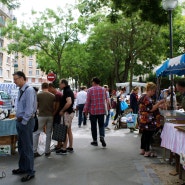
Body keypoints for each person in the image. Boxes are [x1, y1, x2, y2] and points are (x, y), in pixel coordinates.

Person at [12, 71, 37, 182]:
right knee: (21, 147)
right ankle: (23, 168)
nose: (14, 81)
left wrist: (23, 122)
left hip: (25, 122)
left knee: (27, 148)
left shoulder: (29, 90)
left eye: (16, 79)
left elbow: (30, 109)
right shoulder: (20, 90)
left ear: (22, 78)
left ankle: (30, 171)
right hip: (21, 122)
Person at [138, 82, 165, 157]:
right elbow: (151, 109)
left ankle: (142, 150)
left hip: (143, 119)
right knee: (148, 135)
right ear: (149, 90)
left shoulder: (143, 97)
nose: (154, 93)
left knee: (144, 134)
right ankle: (147, 151)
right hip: (148, 120)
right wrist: (159, 103)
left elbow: (150, 107)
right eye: (153, 91)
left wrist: (157, 105)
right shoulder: (147, 98)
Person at [33, 82, 55, 157]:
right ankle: (47, 151)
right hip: (50, 116)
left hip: (41, 116)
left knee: (37, 133)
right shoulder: (52, 96)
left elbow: (35, 106)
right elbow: (54, 106)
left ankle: (34, 151)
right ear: (48, 87)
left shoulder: (38, 95)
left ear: (42, 87)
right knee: (49, 133)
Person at [83, 77, 107, 147]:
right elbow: (105, 100)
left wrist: (85, 111)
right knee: (101, 125)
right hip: (101, 111)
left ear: (93, 82)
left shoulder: (90, 90)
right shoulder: (103, 89)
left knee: (93, 126)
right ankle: (102, 136)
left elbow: (88, 101)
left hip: (93, 111)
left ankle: (95, 140)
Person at [56, 79, 75, 155]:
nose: (59, 85)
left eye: (60, 84)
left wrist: (62, 110)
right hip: (69, 112)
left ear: (64, 84)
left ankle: (64, 148)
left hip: (67, 113)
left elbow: (69, 102)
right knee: (68, 130)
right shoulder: (68, 90)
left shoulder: (67, 91)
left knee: (65, 130)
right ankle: (70, 147)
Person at [48, 83, 63, 150]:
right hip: (59, 114)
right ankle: (60, 143)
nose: (48, 90)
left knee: (57, 129)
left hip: (57, 114)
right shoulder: (58, 94)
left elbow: (57, 106)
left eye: (48, 89)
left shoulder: (57, 95)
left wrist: (53, 114)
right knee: (58, 128)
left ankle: (59, 145)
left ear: (51, 87)